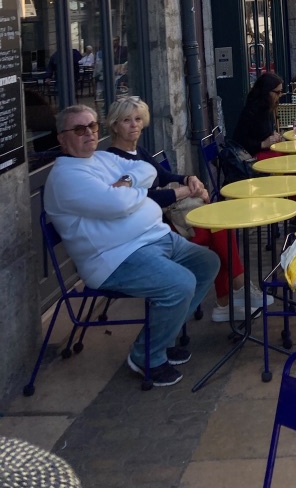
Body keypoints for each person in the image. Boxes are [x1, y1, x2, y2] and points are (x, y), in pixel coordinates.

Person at [45, 105, 219, 388]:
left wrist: (126, 182)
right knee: (180, 284)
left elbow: (146, 168)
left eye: (92, 126)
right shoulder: (66, 176)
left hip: (153, 237)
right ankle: (147, 355)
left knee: (207, 262)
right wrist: (133, 194)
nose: (88, 133)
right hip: (115, 257)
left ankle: (162, 337)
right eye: (78, 129)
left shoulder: (102, 158)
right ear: (62, 139)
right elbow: (117, 205)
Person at [106, 97, 254, 323]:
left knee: (219, 230)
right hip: (151, 231)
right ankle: (235, 291)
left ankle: (229, 298)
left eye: (137, 119)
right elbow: (142, 199)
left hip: (165, 218)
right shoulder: (113, 160)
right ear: (115, 125)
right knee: (219, 232)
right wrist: (184, 192)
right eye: (126, 120)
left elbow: (165, 176)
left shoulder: (139, 152)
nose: (134, 125)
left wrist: (187, 178)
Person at [232, 72, 285, 158]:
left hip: (263, 152)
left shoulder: (268, 108)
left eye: (281, 92)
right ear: (266, 92)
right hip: (252, 156)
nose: (280, 95)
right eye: (277, 92)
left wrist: (273, 135)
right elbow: (240, 142)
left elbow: (266, 133)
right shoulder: (251, 112)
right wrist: (263, 144)